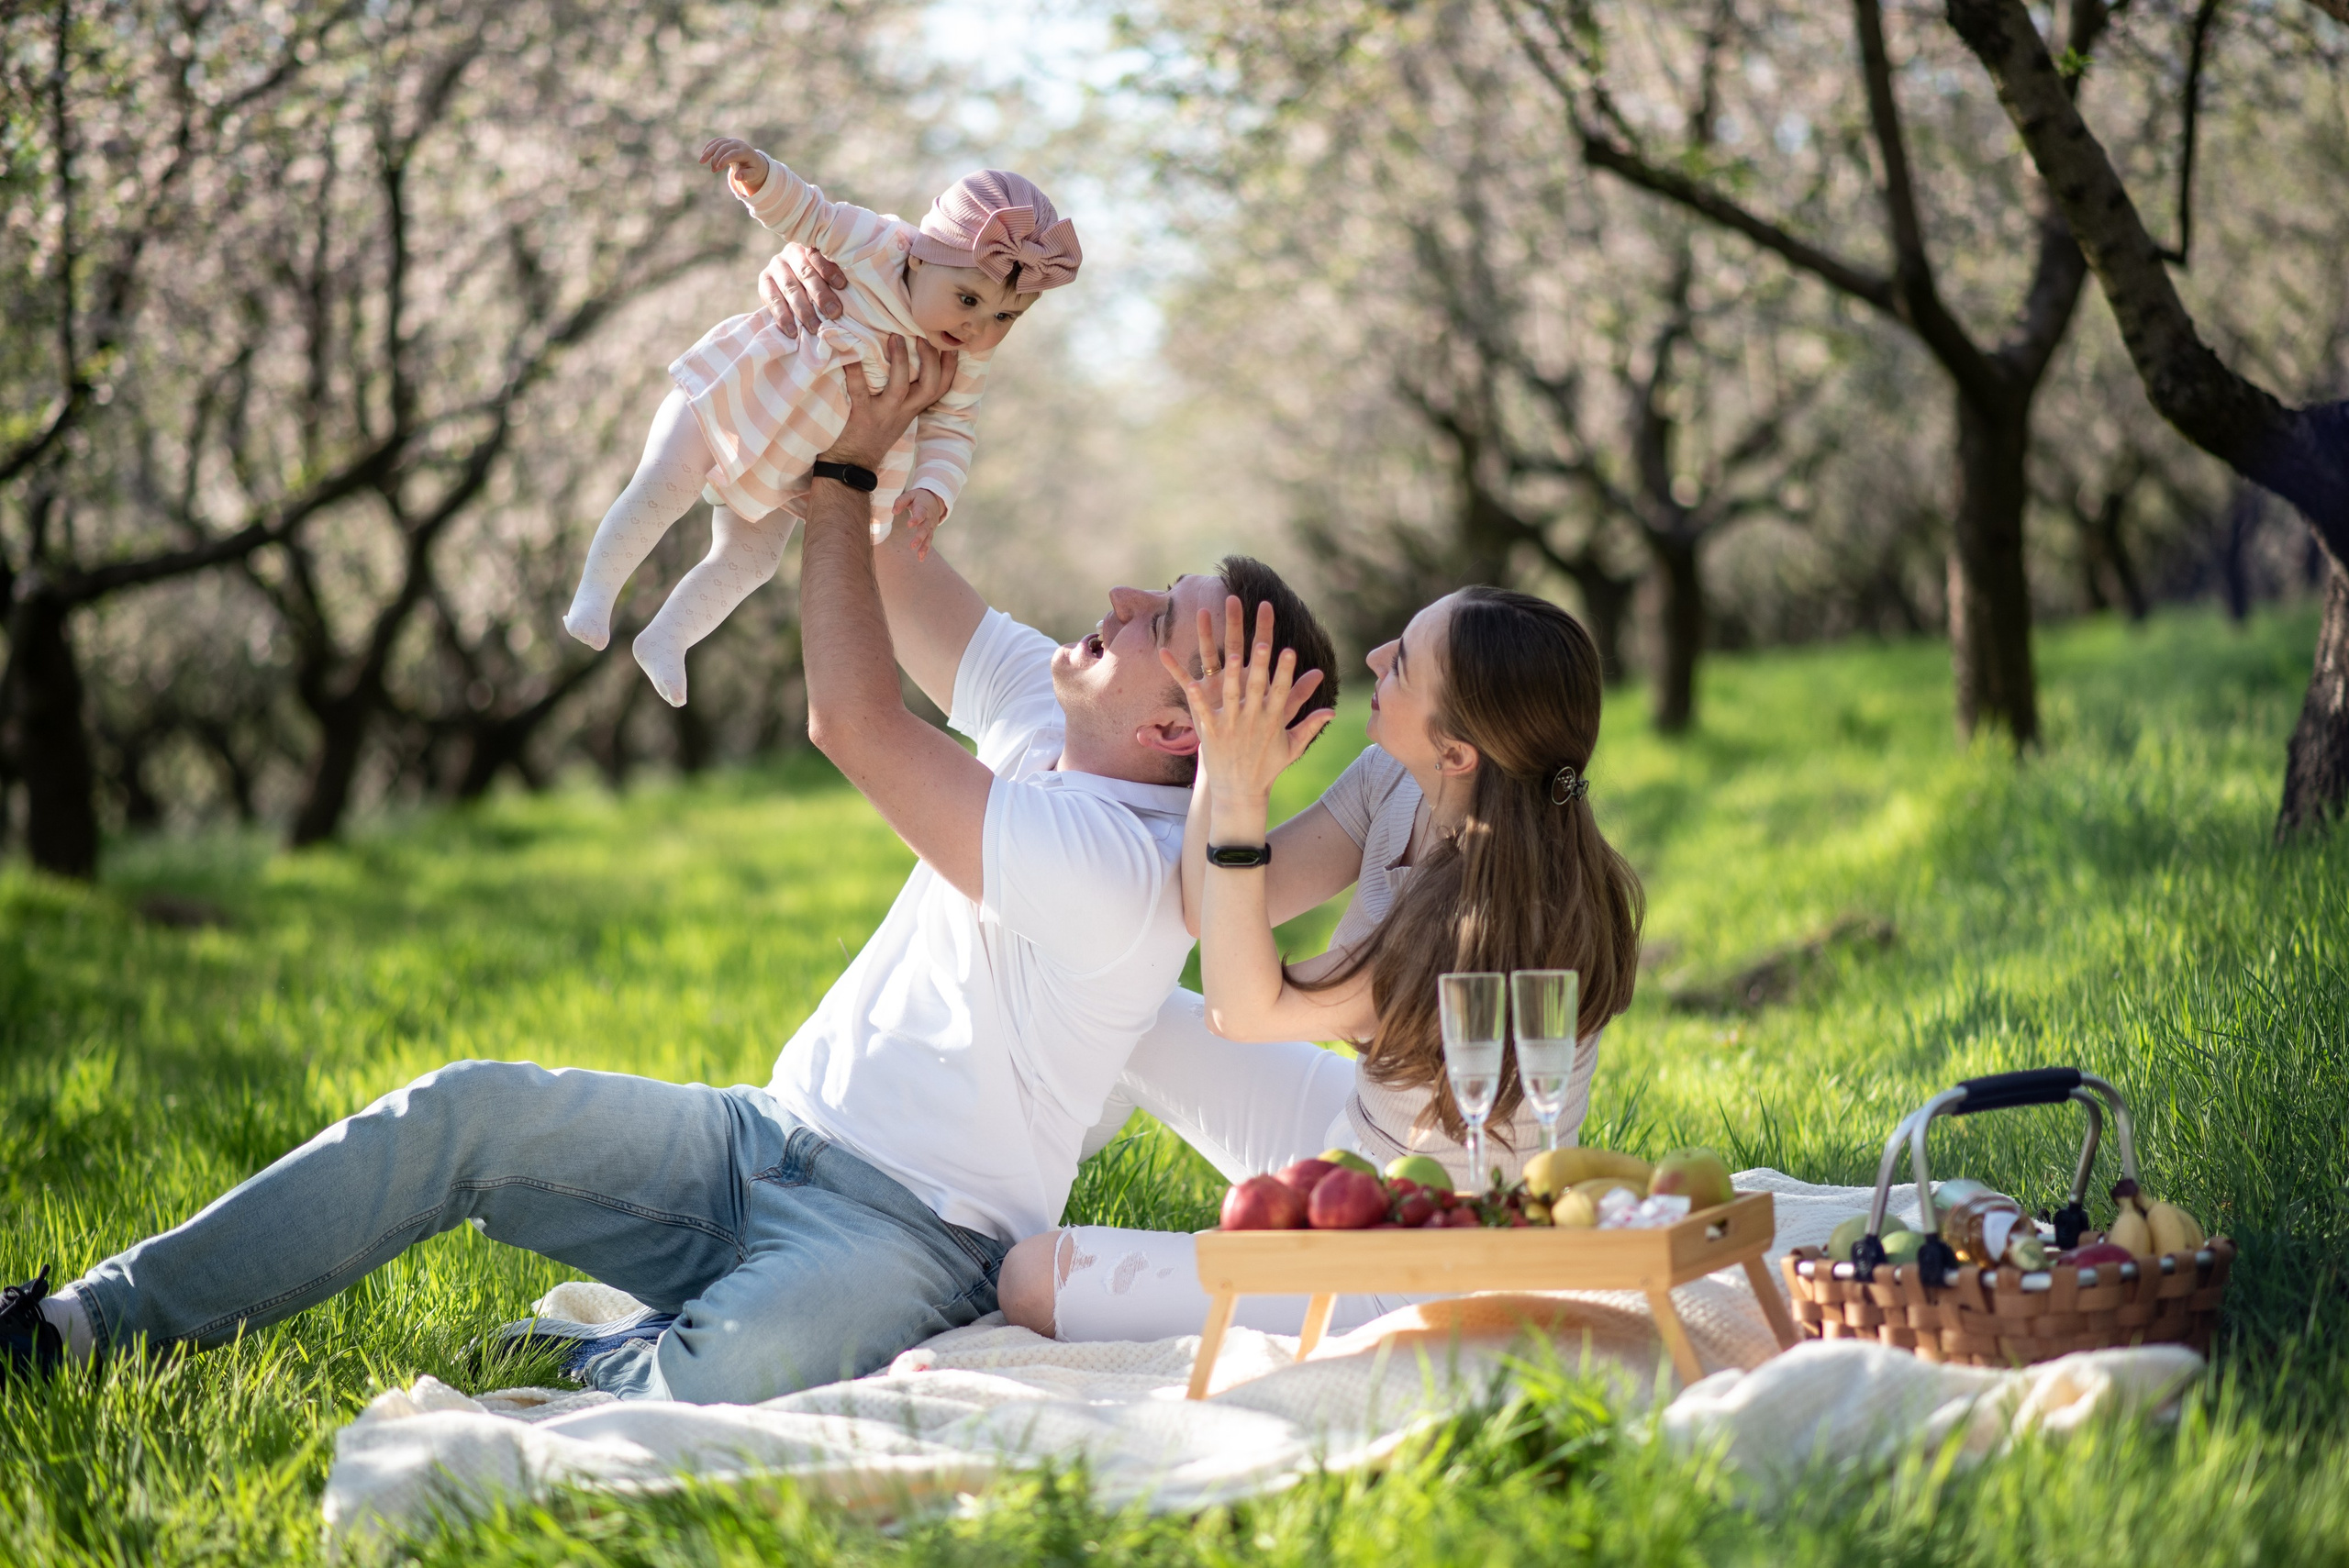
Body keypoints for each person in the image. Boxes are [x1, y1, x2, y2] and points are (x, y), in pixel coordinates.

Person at [1, 333, 1339, 1403]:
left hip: (909, 1242)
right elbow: (892, 560)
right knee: (466, 1110)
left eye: (1156, 619)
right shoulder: (1051, 710)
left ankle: (606, 1360)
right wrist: (899, 342)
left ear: (1178, 728)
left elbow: (852, 721)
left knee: (733, 1373)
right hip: (757, 1137)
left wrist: (840, 480)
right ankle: (76, 1325)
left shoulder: (1121, 866)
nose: (1114, 603)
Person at [996, 585, 1644, 1343]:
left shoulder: (1487, 922)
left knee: (1029, 1279)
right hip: (1360, 1131)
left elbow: (1241, 1009)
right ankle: (1001, 1177)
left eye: (1400, 664)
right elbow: (1217, 904)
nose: (1374, 659)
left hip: (1413, 1250)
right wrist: (1220, 752)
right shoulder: (1397, 780)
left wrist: (1241, 792)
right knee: (1129, 1010)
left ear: (1457, 752)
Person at [562, 139, 1082, 707]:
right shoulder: (875, 246)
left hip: (794, 464)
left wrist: (935, 489)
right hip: (736, 399)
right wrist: (761, 178)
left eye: (1004, 316)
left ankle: (667, 638)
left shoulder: (964, 359)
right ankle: (594, 594)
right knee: (665, 480)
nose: (978, 325)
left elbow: (953, 428)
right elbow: (811, 213)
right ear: (921, 255)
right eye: (967, 298)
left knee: (751, 560)